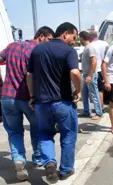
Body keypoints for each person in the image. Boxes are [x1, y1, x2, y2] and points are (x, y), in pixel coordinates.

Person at [27, 22, 81, 183]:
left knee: (44, 134)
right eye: (73, 37)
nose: (74, 41)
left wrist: (32, 96)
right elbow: (75, 72)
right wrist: (77, 91)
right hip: (62, 102)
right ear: (65, 34)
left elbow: (29, 75)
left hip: (42, 103)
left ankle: (49, 162)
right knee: (69, 134)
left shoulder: (37, 49)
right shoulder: (68, 51)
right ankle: (65, 170)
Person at [0, 26, 54, 181]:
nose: (49, 43)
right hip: (29, 98)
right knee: (37, 128)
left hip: (8, 96)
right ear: (41, 36)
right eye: (49, 40)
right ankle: (37, 159)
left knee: (14, 132)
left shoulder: (13, 46)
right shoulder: (37, 51)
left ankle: (18, 159)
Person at [78, 31, 102, 120]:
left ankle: (98, 112)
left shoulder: (91, 47)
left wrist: (89, 75)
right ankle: (86, 111)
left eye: (79, 37)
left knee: (94, 93)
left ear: (82, 37)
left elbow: (94, 62)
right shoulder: (87, 47)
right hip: (85, 74)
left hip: (89, 75)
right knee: (84, 94)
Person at [88, 30, 109, 109]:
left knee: (99, 90)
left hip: (96, 69)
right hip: (104, 69)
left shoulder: (91, 45)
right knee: (106, 88)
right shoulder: (105, 43)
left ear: (90, 37)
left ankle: (100, 107)